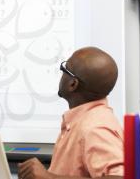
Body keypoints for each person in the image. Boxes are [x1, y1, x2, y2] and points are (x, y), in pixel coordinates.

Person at [18, 47, 123, 179]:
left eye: (64, 69)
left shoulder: (95, 128)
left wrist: (49, 177)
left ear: (73, 84)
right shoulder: (84, 119)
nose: (61, 74)